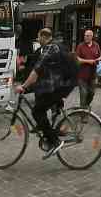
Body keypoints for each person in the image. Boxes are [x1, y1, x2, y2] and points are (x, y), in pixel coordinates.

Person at [14, 27, 76, 157]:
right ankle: (49, 131)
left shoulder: (49, 48)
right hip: (61, 85)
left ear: (44, 37)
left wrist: (23, 86)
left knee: (37, 111)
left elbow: (36, 70)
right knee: (42, 104)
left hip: (60, 86)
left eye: (39, 37)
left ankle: (54, 141)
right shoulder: (55, 47)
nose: (38, 40)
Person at [75, 29, 101, 110]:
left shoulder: (96, 45)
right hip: (82, 75)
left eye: (87, 36)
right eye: (85, 35)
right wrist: (88, 61)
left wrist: (97, 60)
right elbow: (77, 59)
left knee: (92, 93)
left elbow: (99, 56)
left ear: (91, 37)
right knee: (83, 94)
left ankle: (85, 106)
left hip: (92, 75)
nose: (85, 37)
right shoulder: (80, 46)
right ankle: (83, 114)